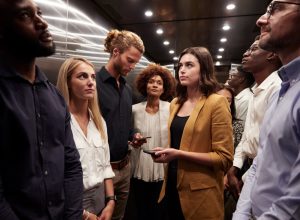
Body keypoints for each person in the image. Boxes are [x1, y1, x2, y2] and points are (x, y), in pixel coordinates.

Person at [0, 0, 83, 219]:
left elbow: (71, 164)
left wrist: (73, 215)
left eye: (40, 13)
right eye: (25, 16)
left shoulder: (54, 96)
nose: (43, 23)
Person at [233, 1, 300, 219]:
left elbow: (294, 202)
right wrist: (242, 213)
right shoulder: (283, 87)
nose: (261, 20)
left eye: (276, 9)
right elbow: (260, 163)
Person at [153, 47, 234, 220]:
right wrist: (166, 152)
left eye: (189, 65)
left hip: (201, 194)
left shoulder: (216, 103)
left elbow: (224, 158)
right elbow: (179, 142)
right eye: (180, 65)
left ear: (204, 69)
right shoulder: (175, 103)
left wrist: (178, 154)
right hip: (171, 186)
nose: (182, 70)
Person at [57, 57, 116, 220]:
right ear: (68, 82)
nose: (91, 82)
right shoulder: (58, 122)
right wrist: (83, 214)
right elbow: (55, 177)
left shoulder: (99, 121)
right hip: (71, 203)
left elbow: (105, 165)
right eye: (82, 76)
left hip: (100, 198)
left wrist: (111, 201)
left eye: (92, 77)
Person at [96, 29, 145, 220]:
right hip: (101, 171)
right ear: (116, 52)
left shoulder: (126, 89)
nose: (132, 66)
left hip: (124, 168)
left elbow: (124, 123)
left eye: (136, 62)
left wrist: (133, 135)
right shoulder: (94, 85)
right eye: (130, 60)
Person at [227, 36, 282, 202]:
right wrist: (235, 167)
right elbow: (247, 135)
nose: (245, 53)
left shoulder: (277, 88)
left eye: (253, 49)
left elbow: (272, 146)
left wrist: (246, 179)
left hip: (268, 174)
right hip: (250, 168)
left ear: (271, 55)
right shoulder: (257, 90)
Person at [130, 63, 176, 220]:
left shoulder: (170, 108)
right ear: (145, 85)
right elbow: (130, 135)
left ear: (164, 88)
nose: (155, 85)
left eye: (159, 83)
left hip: (162, 163)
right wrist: (134, 138)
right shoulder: (134, 109)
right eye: (151, 81)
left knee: (159, 209)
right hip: (139, 164)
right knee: (141, 208)